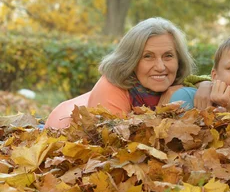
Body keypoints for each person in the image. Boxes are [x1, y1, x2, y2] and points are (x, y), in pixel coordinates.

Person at [45, 18, 195, 129]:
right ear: (131, 60)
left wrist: (207, 86)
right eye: (147, 56)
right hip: (61, 135)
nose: (160, 67)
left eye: (168, 56)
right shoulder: (110, 88)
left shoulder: (176, 83)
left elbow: (208, 81)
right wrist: (162, 111)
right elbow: (118, 153)